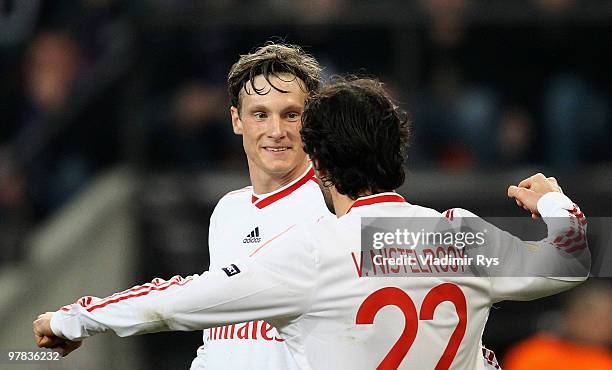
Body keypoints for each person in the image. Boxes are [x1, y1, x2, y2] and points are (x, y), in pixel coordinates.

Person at [34, 78, 590, 369]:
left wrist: (74, 319)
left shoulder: (314, 251)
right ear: (399, 157)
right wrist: (553, 202)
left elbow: (178, 303)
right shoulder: (460, 237)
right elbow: (571, 263)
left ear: (318, 166)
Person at [192, 42, 331, 369]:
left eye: (291, 115)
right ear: (236, 121)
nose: (276, 131)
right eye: (260, 114)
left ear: (311, 121)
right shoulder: (228, 211)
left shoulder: (334, 207)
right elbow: (220, 336)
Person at [503, 280, 612, 370]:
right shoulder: (535, 353)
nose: (597, 326)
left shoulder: (606, 363)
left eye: (606, 319)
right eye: (590, 316)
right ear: (570, 315)